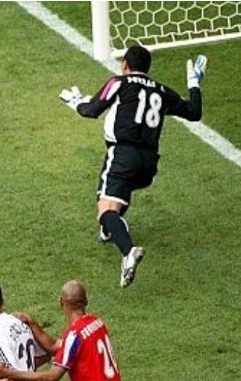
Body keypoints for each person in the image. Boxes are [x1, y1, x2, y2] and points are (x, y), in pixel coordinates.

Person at [58, 46, 208, 288]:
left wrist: (76, 102)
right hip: (148, 163)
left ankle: (128, 251)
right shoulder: (162, 91)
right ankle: (110, 230)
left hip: (123, 154)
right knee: (115, 195)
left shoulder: (119, 82)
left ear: (125, 65)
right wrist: (194, 83)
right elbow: (194, 112)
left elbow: (91, 110)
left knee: (106, 209)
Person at [0, 280, 132, 381]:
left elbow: (52, 378)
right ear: (86, 300)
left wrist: (9, 373)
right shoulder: (97, 322)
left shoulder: (74, 336)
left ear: (60, 302)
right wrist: (31, 322)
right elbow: (55, 347)